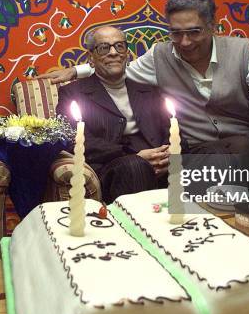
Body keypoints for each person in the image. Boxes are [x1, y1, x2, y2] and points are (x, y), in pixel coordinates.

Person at [41, 0, 249, 162]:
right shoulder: (160, 56)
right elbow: (120, 67)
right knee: (236, 148)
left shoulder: (243, 52)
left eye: (193, 32)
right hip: (201, 152)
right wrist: (76, 70)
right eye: (176, 33)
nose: (184, 42)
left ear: (212, 26)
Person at [56, 26, 171, 203]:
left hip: (161, 162)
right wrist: (134, 155)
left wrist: (167, 154)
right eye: (104, 48)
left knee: (209, 156)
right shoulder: (73, 94)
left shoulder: (149, 90)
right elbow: (74, 139)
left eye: (119, 46)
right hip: (115, 165)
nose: (113, 53)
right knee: (135, 166)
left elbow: (172, 128)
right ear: (91, 59)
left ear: (127, 54)